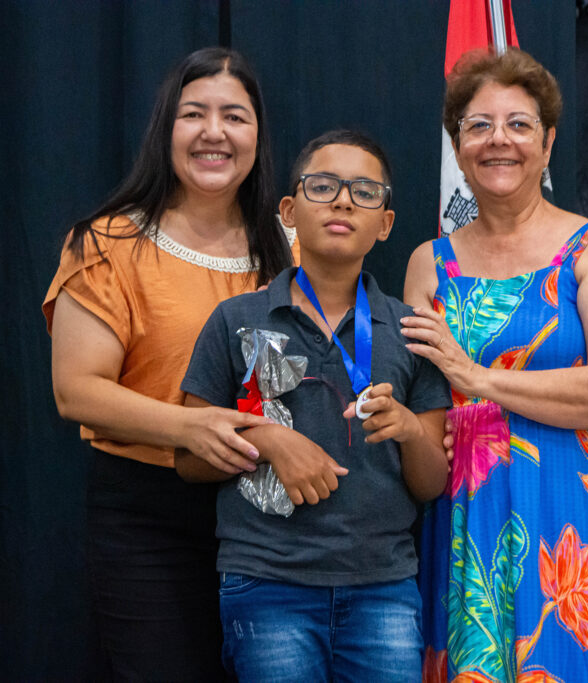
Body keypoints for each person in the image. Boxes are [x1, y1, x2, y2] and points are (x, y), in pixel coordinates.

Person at [42, 47, 297, 681]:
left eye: (234, 116)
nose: (214, 132)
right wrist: (190, 427)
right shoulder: (108, 242)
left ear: (258, 135)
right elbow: (76, 390)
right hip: (149, 521)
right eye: (194, 114)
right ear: (166, 129)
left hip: (274, 520)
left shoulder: (292, 249)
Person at [402, 48, 588, 681]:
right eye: (479, 125)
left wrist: (479, 380)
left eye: (519, 124)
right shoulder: (429, 263)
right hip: (466, 516)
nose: (499, 140)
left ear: (548, 143)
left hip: (575, 517)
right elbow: (423, 407)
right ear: (457, 147)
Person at [175, 130, 451, 682]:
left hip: (383, 585)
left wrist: (408, 431)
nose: (343, 201)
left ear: (385, 224)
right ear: (289, 211)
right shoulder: (235, 319)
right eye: (323, 186)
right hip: (266, 581)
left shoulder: (413, 332)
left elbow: (431, 484)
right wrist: (264, 440)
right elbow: (188, 460)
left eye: (364, 192)